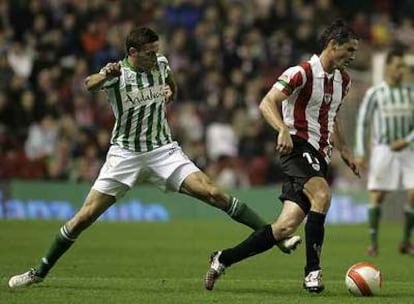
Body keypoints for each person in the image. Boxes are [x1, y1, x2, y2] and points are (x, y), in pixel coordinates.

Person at [8, 27, 299, 288]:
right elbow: (88, 84)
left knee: (215, 193)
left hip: (163, 151)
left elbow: (171, 84)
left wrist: (170, 93)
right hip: (125, 155)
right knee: (84, 218)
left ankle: (275, 235)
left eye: (156, 51)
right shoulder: (118, 74)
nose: (154, 56)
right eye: (148, 53)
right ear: (132, 53)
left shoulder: (160, 64)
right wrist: (104, 74)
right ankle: (39, 271)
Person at [203, 19, 360, 293]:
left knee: (284, 228)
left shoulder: (343, 81)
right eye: (348, 50)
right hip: (296, 147)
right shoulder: (301, 72)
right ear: (332, 46)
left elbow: (331, 117)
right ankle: (312, 273)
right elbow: (268, 102)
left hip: (319, 155)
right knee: (322, 195)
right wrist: (282, 130)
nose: (352, 56)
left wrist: (345, 150)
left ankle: (222, 258)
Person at [354, 48, 414, 257]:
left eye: (403, 67)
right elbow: (363, 122)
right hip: (383, 149)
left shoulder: (410, 93)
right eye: (397, 66)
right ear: (388, 67)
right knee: (378, 195)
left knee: (413, 192)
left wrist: (407, 140)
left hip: (408, 150)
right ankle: (373, 243)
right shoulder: (376, 93)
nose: (401, 71)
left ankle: (406, 242)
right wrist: (360, 152)